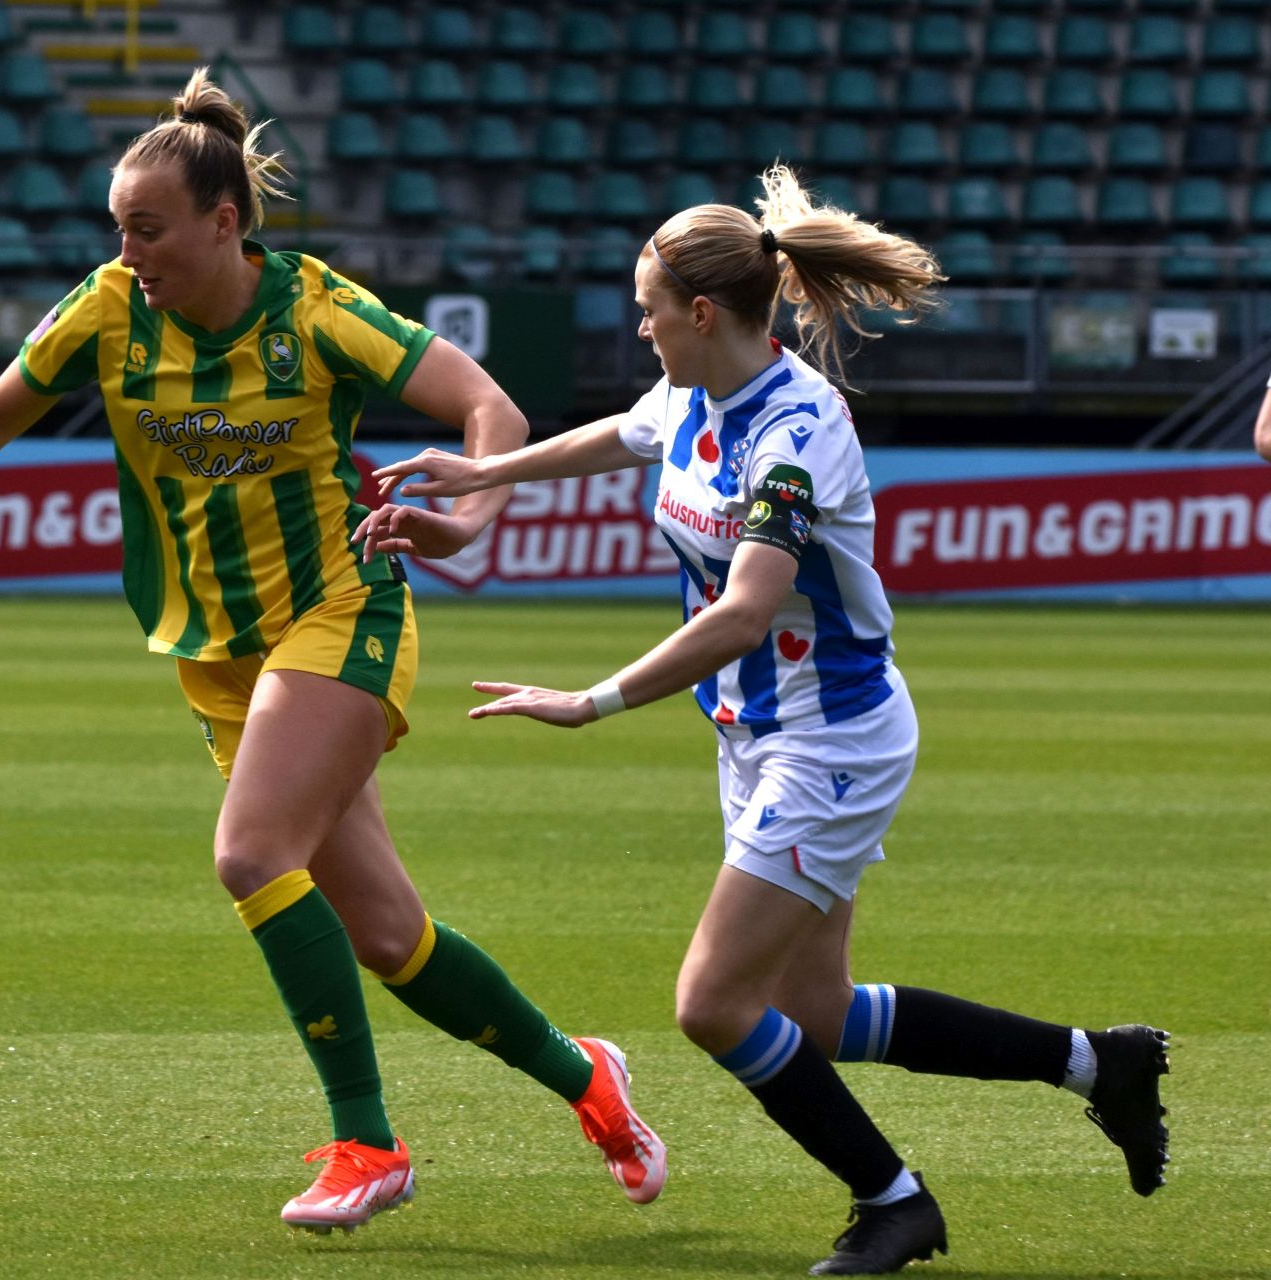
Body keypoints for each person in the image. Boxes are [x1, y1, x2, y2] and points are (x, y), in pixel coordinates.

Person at [0, 69, 664, 1234]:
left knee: (250, 852)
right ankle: (587, 1077)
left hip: (343, 609)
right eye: (118, 229)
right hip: (217, 653)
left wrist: (468, 518)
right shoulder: (105, 310)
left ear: (225, 222)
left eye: (150, 228)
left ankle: (366, 1141)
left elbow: (493, 411)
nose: (129, 251)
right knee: (390, 936)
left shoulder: (318, 309)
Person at [363, 166, 1171, 1276]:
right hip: (758, 731)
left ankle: (895, 1199)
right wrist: (479, 479)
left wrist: (591, 700)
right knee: (817, 1010)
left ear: (700, 313)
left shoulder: (795, 430)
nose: (637, 326)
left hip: (830, 738)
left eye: (647, 308)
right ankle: (1098, 1063)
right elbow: (618, 435)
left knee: (711, 1002)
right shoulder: (696, 389)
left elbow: (746, 609)